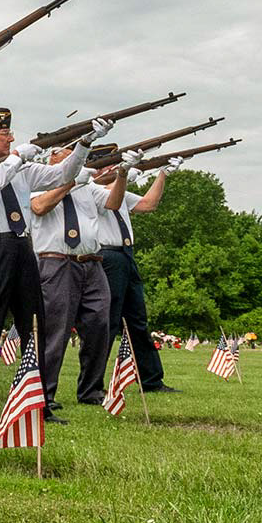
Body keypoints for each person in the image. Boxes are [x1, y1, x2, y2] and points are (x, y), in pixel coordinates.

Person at [0, 111, 107, 417]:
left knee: (35, 327)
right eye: (4, 133)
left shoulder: (18, 168)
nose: (11, 138)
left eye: (10, 133)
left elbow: (63, 175)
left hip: (22, 246)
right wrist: (17, 157)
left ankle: (37, 404)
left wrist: (84, 144)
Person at [28, 142, 116, 415]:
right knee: (55, 330)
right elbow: (40, 207)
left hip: (91, 262)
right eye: (70, 158)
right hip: (56, 262)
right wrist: (69, 184)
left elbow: (113, 202)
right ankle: (44, 392)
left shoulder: (88, 187)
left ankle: (91, 390)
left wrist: (122, 174)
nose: (75, 163)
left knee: (100, 324)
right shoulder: (37, 182)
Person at [89, 150, 185, 395]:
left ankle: (151, 379)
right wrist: (125, 173)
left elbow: (148, 204)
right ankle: (92, 385)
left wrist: (162, 173)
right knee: (107, 323)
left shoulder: (116, 190)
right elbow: (112, 195)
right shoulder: (92, 190)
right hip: (108, 255)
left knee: (138, 322)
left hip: (126, 255)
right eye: (112, 165)